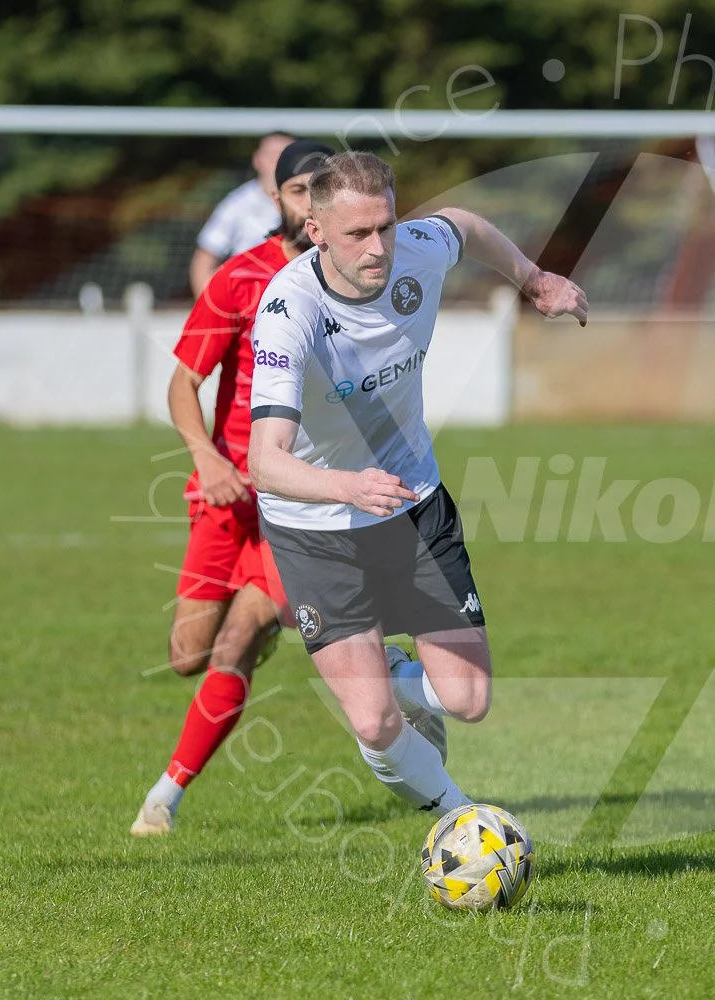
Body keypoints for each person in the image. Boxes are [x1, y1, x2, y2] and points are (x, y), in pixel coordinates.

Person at [247, 150, 587, 814]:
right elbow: (266, 461)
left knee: (468, 700)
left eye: (387, 227)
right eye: (357, 234)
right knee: (374, 723)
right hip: (316, 529)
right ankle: (463, 822)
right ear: (315, 230)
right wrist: (346, 486)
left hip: (412, 506)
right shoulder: (289, 312)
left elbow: (463, 223)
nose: (378, 248)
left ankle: (397, 673)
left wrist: (535, 278)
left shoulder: (417, 250)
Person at [130, 140, 336, 837]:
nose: (313, 203)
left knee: (235, 642)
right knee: (188, 655)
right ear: (276, 198)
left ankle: (164, 797)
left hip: (298, 501)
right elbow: (183, 383)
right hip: (226, 496)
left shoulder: (353, 283)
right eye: (302, 189)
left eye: (324, 189)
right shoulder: (240, 278)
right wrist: (208, 459)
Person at [189, 132, 296, 297]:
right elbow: (205, 257)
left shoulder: (312, 203)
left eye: (284, 154)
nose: (277, 160)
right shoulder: (237, 204)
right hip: (246, 304)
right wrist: (208, 310)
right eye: (271, 154)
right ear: (257, 160)